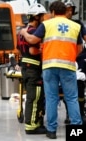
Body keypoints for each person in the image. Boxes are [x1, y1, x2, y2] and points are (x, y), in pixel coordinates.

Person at [20, 1, 82, 139]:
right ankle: (76, 132)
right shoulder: (76, 26)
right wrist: (69, 56)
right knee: (72, 98)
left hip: (49, 67)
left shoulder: (46, 24)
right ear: (65, 11)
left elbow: (31, 39)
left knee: (52, 98)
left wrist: (24, 31)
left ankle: (52, 131)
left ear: (53, 12)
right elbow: (79, 49)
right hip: (68, 67)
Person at [16, 3, 47, 134]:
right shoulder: (33, 32)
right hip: (34, 68)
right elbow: (33, 50)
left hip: (26, 68)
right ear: (36, 17)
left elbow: (20, 49)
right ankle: (31, 125)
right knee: (34, 97)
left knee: (33, 97)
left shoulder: (22, 32)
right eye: (42, 16)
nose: (44, 19)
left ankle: (35, 122)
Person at [62, 0, 86, 124]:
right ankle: (70, 113)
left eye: (71, 10)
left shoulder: (78, 24)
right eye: (67, 9)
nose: (69, 12)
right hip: (63, 58)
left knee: (79, 84)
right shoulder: (58, 24)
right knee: (67, 87)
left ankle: (81, 113)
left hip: (78, 57)